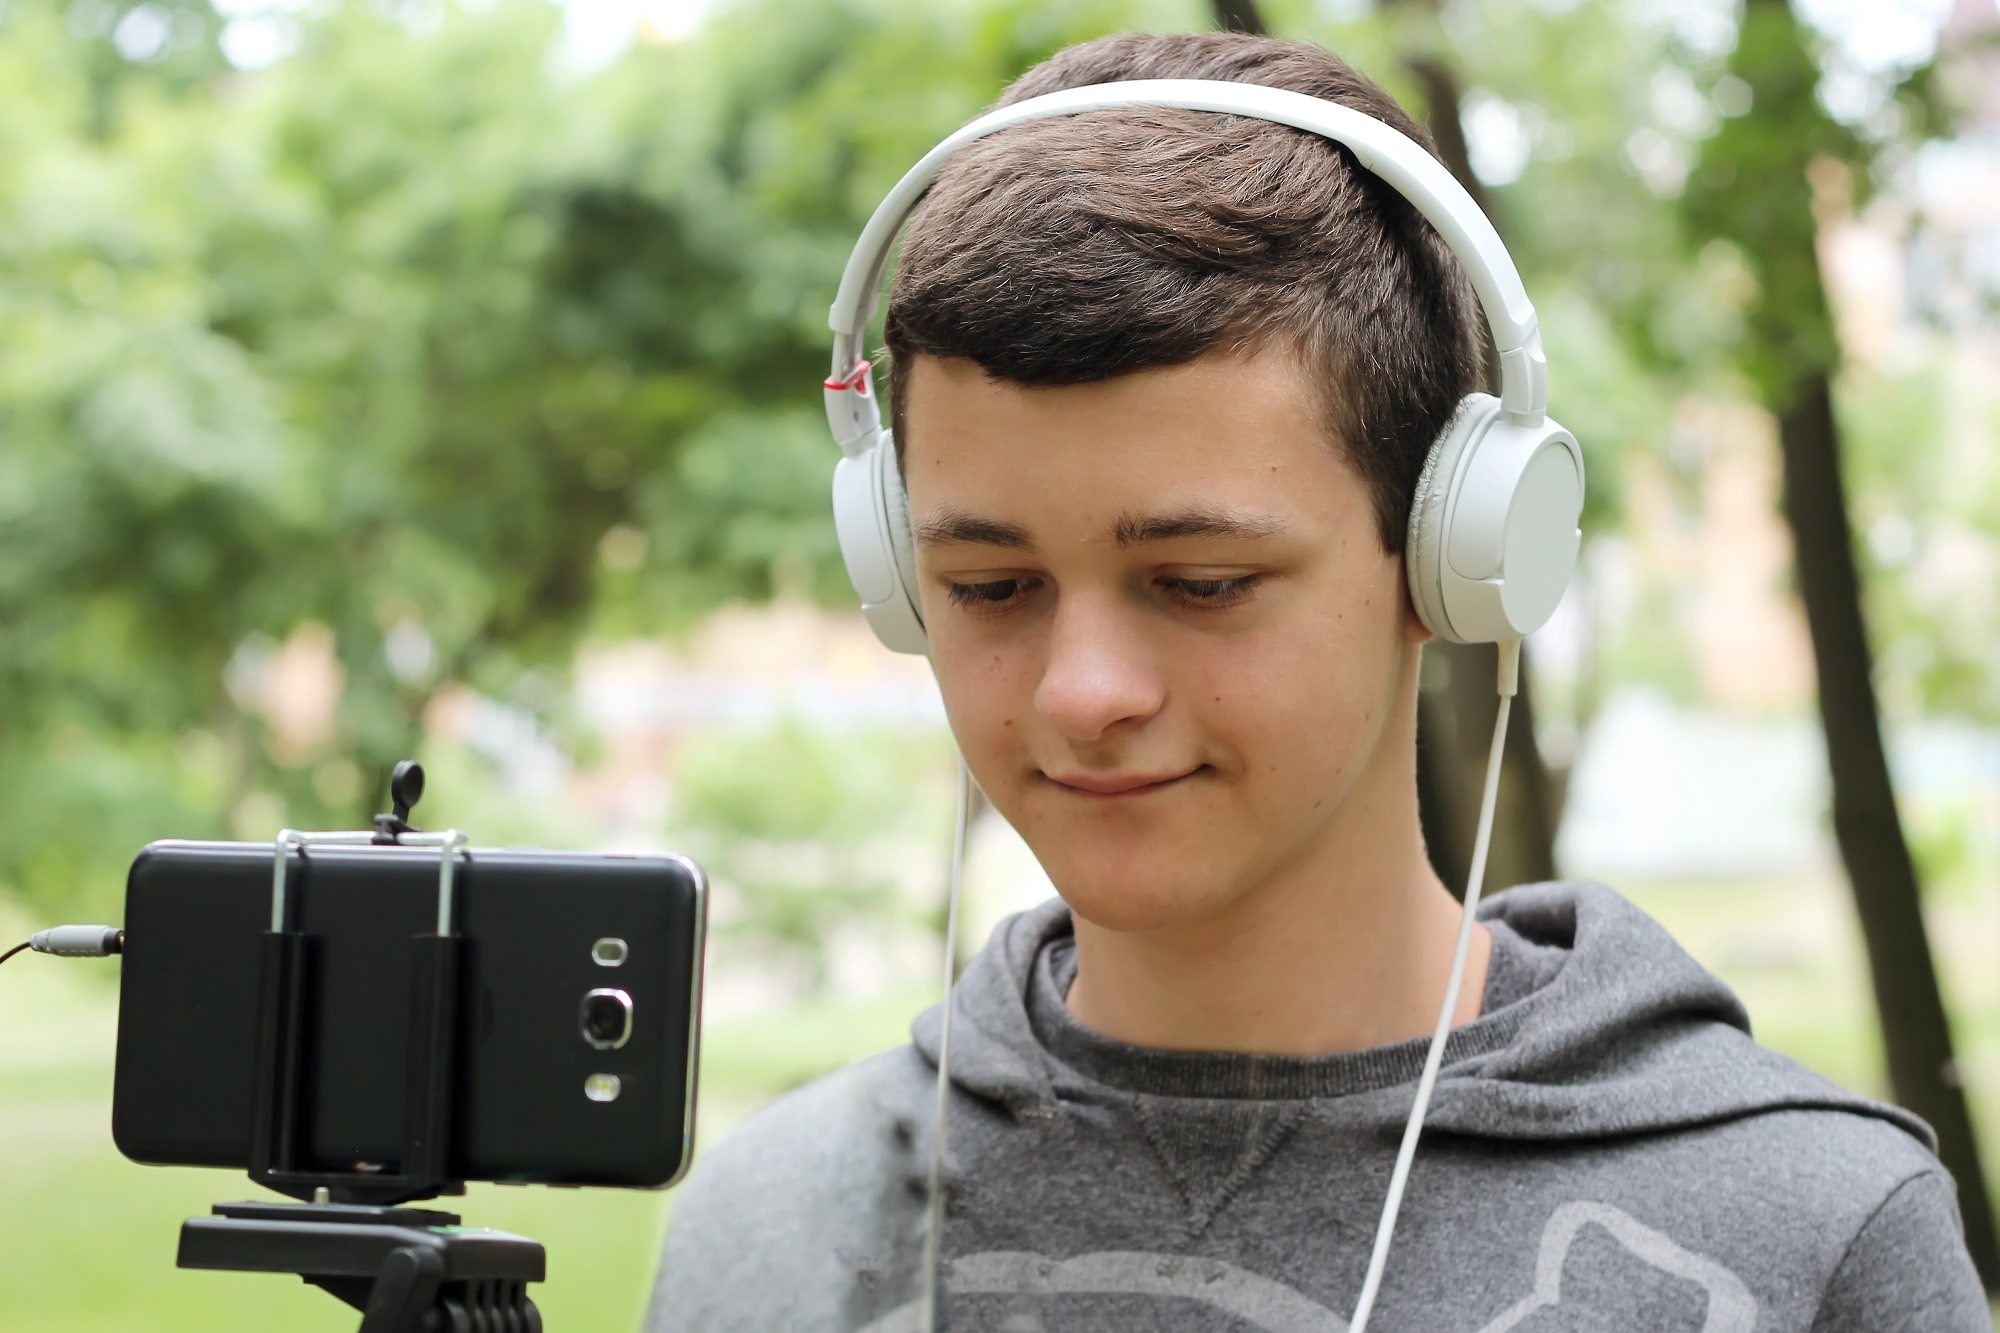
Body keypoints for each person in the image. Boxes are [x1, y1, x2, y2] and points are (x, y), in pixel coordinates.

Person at [646, 30, 1989, 1332]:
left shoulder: (1810, 1235)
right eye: (993, 588)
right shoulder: (766, 1226)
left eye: (1200, 581)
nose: (1082, 691)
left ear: (1455, 556)